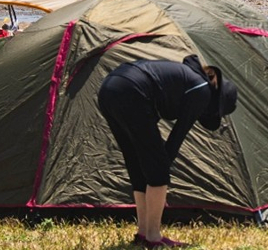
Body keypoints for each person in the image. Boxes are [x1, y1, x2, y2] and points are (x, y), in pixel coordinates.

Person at [97, 55, 238, 249]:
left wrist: (151, 165)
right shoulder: (202, 90)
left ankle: (143, 232)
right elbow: (176, 137)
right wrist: (160, 170)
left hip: (109, 88)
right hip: (131, 91)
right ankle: (153, 237)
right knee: (158, 170)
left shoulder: (188, 78)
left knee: (136, 162)